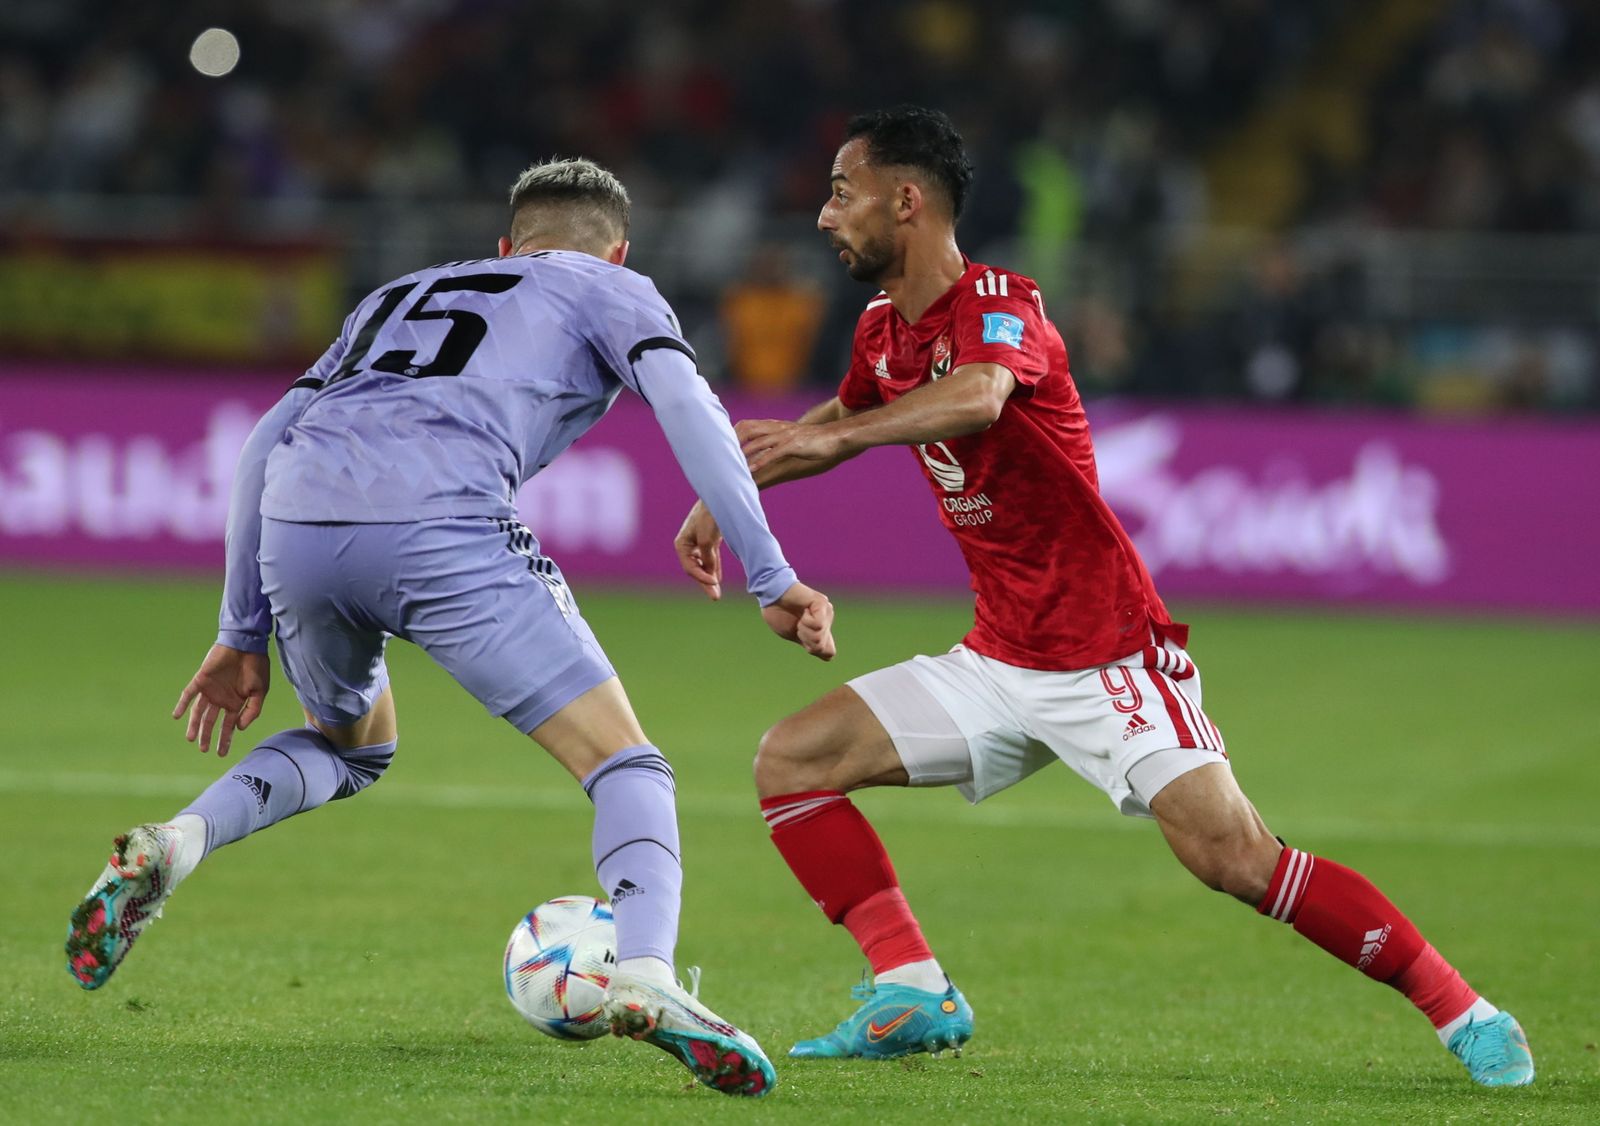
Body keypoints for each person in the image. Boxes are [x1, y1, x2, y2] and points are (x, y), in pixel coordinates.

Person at [673, 106, 1533, 1087]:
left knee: (1236, 859)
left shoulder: (1003, 303)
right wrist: (737, 493)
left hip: (1110, 658)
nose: (825, 217)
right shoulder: (880, 331)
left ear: (905, 200)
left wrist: (832, 441)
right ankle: (911, 988)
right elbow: (840, 414)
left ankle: (1463, 1010)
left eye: (840, 193)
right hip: (998, 660)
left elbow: (980, 395)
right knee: (790, 760)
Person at [66, 157, 837, 1100]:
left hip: (300, 518)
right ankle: (644, 974)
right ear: (619, 250)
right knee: (626, 765)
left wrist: (242, 630)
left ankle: (176, 844)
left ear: (506, 246)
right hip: (445, 524)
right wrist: (773, 574)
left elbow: (268, 433)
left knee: (352, 747)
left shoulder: (398, 293)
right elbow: (689, 405)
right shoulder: (614, 287)